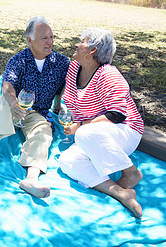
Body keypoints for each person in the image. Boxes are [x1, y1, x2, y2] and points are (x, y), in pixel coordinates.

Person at [0, 16, 70, 198]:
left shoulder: (61, 63)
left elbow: (61, 87)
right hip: (16, 108)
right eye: (44, 37)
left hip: (37, 113)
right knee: (2, 101)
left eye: (52, 37)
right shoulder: (18, 60)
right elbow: (7, 85)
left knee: (44, 132)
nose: (50, 42)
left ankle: (31, 178)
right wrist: (13, 103)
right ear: (30, 40)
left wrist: (58, 105)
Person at [58, 27, 144, 218]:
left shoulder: (108, 74)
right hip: (94, 133)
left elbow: (118, 115)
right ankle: (120, 192)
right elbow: (71, 101)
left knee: (84, 134)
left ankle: (130, 173)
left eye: (82, 42)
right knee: (66, 161)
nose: (77, 44)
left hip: (124, 130)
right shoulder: (74, 69)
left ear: (92, 51)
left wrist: (79, 126)